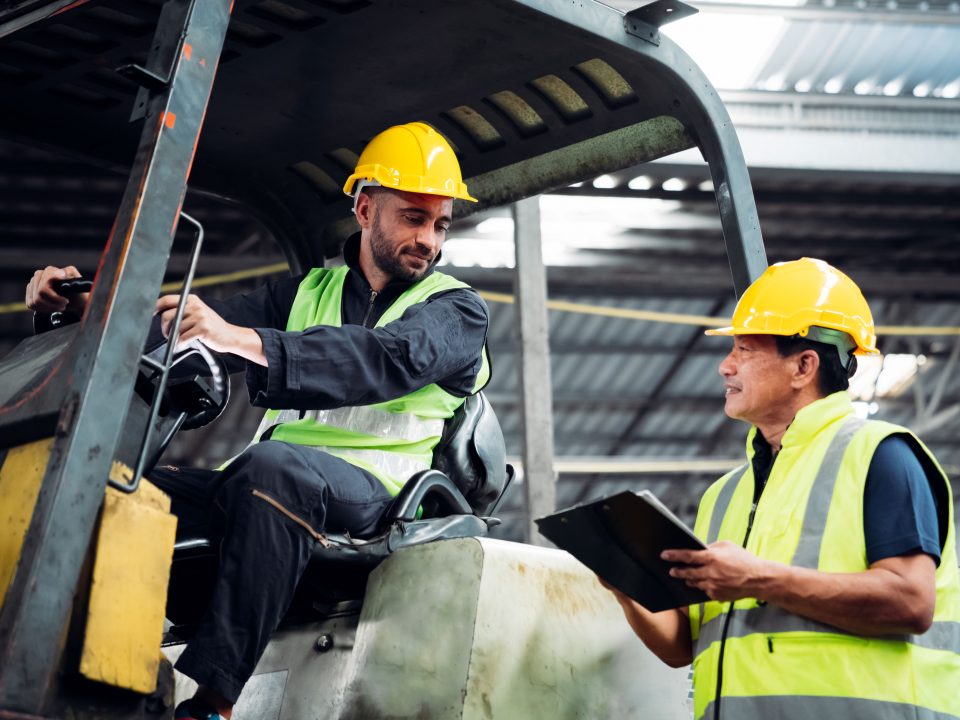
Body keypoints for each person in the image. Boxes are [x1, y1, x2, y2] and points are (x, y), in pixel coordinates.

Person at [25, 122, 490, 720]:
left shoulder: (455, 309)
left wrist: (240, 339)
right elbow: (186, 327)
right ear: (366, 209)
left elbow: (382, 360)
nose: (428, 239)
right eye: (413, 218)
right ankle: (106, 681)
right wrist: (83, 310)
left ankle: (211, 705)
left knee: (271, 467)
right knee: (120, 483)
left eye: (439, 224)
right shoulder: (304, 293)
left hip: (380, 498)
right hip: (269, 487)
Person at [601, 258, 960, 719]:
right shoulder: (724, 495)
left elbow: (912, 602)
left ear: (804, 366)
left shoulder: (881, 456)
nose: (725, 367)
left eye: (745, 350)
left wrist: (757, 578)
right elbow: (683, 647)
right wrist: (624, 582)